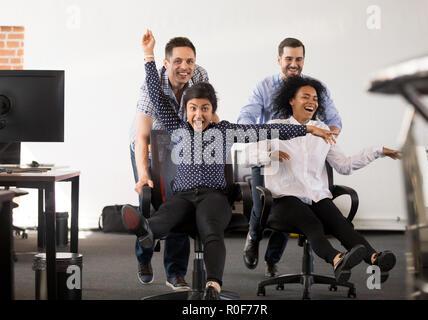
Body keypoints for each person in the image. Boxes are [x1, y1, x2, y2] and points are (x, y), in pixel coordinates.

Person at [121, 29, 340, 300]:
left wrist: (307, 130)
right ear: (185, 111)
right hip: (184, 196)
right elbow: (155, 93)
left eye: (204, 108)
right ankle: (145, 230)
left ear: (213, 111)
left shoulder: (225, 130)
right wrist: (147, 55)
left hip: (214, 197)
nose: (198, 114)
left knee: (211, 231)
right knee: (164, 217)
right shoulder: (176, 127)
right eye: (192, 108)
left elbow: (269, 131)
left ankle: (213, 285)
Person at [242, 76, 399, 282]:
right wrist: (268, 156)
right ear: (291, 100)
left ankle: (374, 258)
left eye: (315, 98)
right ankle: (336, 259)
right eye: (305, 96)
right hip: (284, 198)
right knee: (312, 225)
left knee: (341, 225)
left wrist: (378, 151)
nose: (312, 102)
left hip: (316, 195)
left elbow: (345, 165)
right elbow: (246, 157)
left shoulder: (323, 131)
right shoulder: (274, 127)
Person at [238, 38, 343, 277]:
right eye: (288, 59)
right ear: (279, 60)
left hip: (299, 157)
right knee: (262, 203)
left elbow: (335, 120)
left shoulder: (313, 88)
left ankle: (272, 259)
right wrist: (261, 146)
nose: (293, 64)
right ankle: (253, 236)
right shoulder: (264, 87)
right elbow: (245, 118)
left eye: (298, 59)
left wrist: (330, 137)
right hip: (269, 155)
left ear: (303, 60)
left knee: (290, 205)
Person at [129, 35, 216, 290]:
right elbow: (142, 135)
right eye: (178, 61)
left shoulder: (199, 76)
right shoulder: (151, 86)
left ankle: (175, 273)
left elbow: (206, 112)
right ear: (166, 63)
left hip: (179, 147)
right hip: (148, 147)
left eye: (189, 60)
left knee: (180, 200)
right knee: (147, 200)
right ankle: (144, 258)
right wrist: (144, 174)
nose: (184, 67)